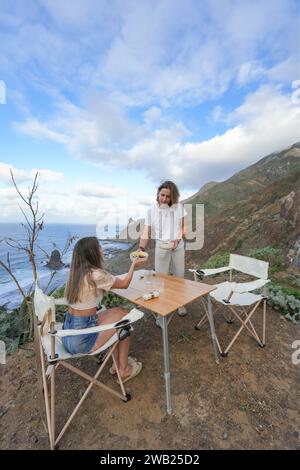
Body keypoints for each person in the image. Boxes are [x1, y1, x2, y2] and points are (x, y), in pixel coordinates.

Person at [62, 236, 146, 383]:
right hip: (82, 339)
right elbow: (125, 283)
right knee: (125, 321)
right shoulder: (96, 275)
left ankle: (118, 363)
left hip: (68, 334)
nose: (102, 250)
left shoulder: (75, 274)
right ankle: (124, 369)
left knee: (119, 311)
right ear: (93, 253)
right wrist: (133, 265)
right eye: (99, 247)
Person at [139, 180, 188, 316]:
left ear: (173, 197)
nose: (165, 199)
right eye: (162, 195)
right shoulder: (151, 211)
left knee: (179, 275)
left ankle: (180, 303)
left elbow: (184, 226)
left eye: (168, 196)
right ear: (158, 194)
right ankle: (162, 308)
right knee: (161, 278)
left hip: (177, 246)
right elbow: (146, 232)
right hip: (161, 246)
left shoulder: (178, 207)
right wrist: (141, 248)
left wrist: (178, 239)